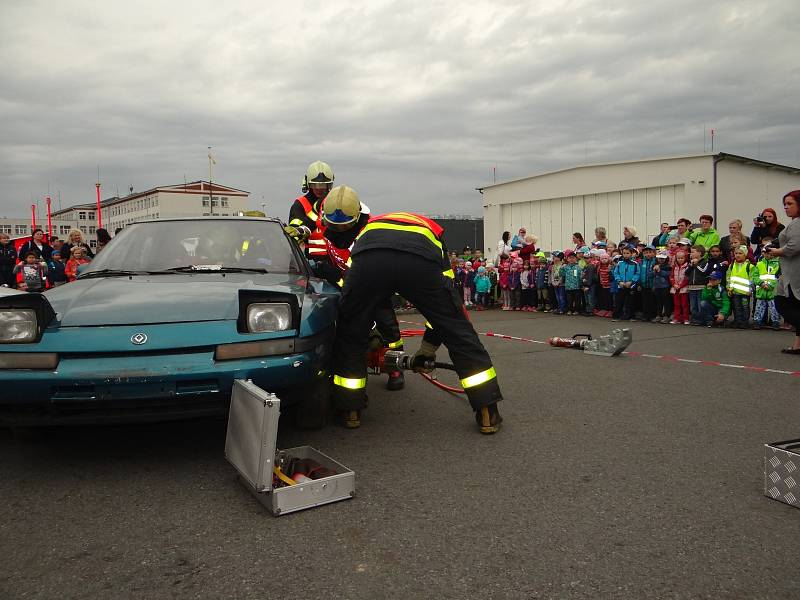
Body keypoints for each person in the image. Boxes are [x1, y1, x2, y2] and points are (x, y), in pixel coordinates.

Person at [327, 196, 504, 433]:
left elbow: (352, 288)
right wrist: (428, 348)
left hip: (371, 261)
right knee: (458, 332)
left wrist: (362, 326)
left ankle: (350, 410)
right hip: (419, 260)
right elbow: (446, 308)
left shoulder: (368, 232)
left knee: (350, 333)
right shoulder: (429, 229)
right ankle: (487, 413)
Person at [318, 185, 406, 391]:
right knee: (344, 330)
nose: (336, 231)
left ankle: (396, 369)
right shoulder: (329, 222)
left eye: (341, 228)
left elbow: (358, 273)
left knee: (387, 326)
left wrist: (337, 278)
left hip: (372, 284)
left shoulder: (367, 230)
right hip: (345, 283)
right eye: (332, 226)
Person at [768, 190, 800, 353]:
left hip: (794, 272)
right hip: (790, 270)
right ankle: (797, 345)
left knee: (782, 303)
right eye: (785, 204)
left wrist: (776, 251)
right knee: (796, 305)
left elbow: (795, 246)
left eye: (790, 204)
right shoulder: (794, 222)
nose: (786, 207)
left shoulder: (797, 223)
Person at [286, 160, 336, 263]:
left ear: (329, 185)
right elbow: (295, 231)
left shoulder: (336, 202)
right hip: (310, 262)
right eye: (315, 185)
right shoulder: (300, 204)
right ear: (308, 184)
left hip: (335, 259)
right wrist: (299, 231)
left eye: (323, 185)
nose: (319, 189)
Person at [752, 241, 781, 330]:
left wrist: (771, 285)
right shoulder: (760, 263)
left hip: (772, 291)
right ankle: (757, 321)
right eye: (766, 253)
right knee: (759, 308)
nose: (769, 255)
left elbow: (778, 276)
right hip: (761, 290)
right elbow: (755, 275)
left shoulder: (778, 263)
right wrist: (761, 283)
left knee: (774, 308)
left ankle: (775, 322)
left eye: (771, 253)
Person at [726, 245, 754, 328]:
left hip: (745, 292)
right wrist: (729, 287)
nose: (737, 255)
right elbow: (728, 277)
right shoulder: (732, 265)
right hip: (734, 291)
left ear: (745, 254)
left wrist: (751, 290)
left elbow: (752, 279)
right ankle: (737, 321)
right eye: (736, 253)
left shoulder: (750, 266)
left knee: (745, 307)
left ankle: (745, 322)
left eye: (740, 253)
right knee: (736, 307)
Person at [612, 245, 639, 321]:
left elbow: (637, 274)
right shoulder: (620, 263)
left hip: (631, 286)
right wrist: (619, 281)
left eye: (627, 253)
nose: (626, 255)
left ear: (631, 254)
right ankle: (617, 316)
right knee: (619, 301)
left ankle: (631, 316)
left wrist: (631, 281)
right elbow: (616, 273)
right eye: (624, 253)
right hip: (621, 285)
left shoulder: (635, 264)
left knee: (631, 302)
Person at [686, 245, 709, 325]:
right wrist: (691, 266)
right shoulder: (690, 263)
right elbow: (686, 273)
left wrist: (696, 265)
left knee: (700, 304)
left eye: (692, 252)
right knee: (693, 305)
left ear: (699, 253)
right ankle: (695, 319)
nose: (690, 254)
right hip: (692, 287)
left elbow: (703, 272)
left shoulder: (705, 262)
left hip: (701, 287)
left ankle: (701, 319)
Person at [670, 251, 690, 324]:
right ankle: (676, 318)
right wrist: (674, 284)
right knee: (676, 304)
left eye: (682, 258)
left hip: (684, 288)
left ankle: (686, 319)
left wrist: (681, 285)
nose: (680, 259)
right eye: (678, 258)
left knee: (685, 304)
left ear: (685, 258)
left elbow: (687, 278)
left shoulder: (687, 266)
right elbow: (671, 276)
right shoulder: (674, 266)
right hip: (675, 288)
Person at [652, 251, 672, 323]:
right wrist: (654, 271)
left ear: (666, 258)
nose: (661, 260)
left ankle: (667, 315)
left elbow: (667, 275)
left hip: (665, 286)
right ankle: (658, 315)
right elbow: (651, 275)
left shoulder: (668, 267)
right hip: (657, 286)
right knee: (658, 301)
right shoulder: (654, 265)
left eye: (662, 258)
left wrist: (659, 271)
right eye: (659, 258)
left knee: (666, 301)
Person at [638, 245, 657, 321]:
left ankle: (653, 315)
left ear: (654, 253)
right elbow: (639, 273)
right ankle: (646, 315)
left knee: (653, 301)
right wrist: (639, 283)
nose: (648, 254)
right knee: (645, 301)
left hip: (653, 285)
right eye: (646, 253)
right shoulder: (642, 262)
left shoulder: (656, 261)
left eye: (650, 252)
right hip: (644, 285)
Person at [562, 250, 582, 315]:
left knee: (577, 299)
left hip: (576, 286)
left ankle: (577, 310)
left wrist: (581, 284)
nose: (571, 259)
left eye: (573, 258)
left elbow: (580, 276)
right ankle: (569, 310)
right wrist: (561, 268)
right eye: (570, 258)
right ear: (567, 259)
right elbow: (562, 274)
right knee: (569, 300)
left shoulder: (578, 267)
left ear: (576, 259)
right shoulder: (565, 267)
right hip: (568, 286)